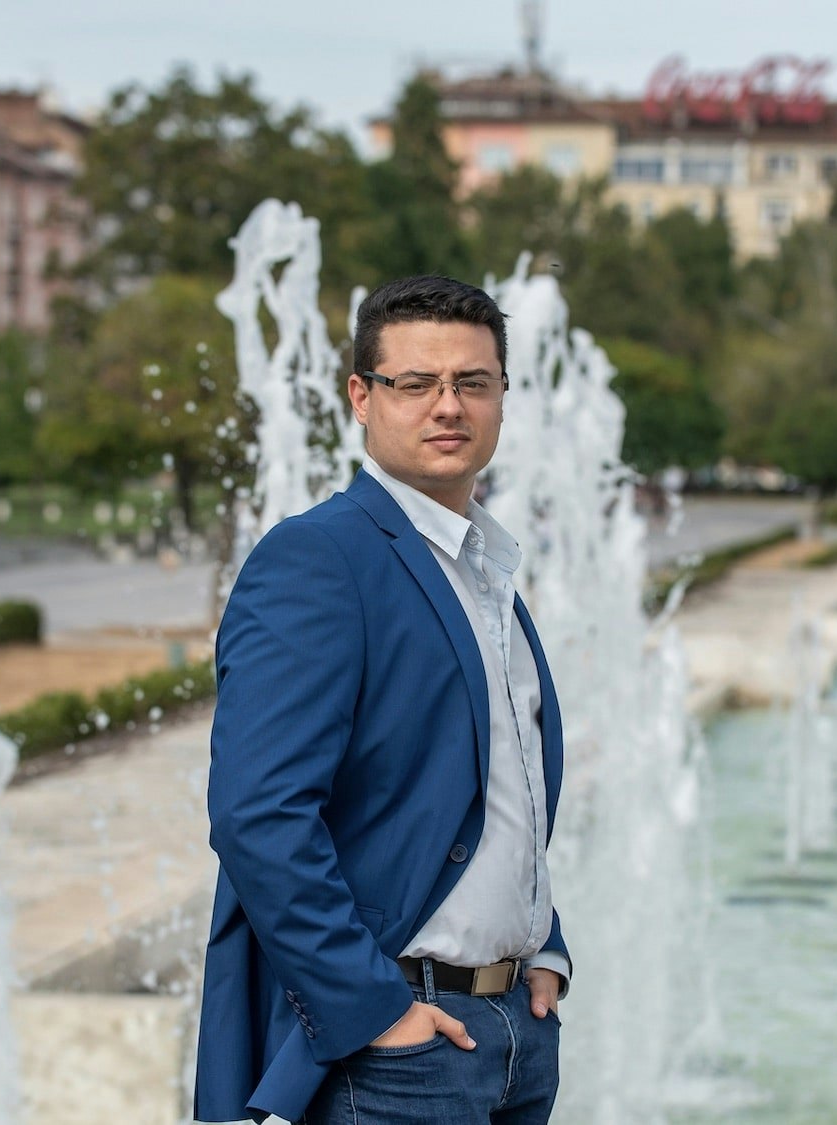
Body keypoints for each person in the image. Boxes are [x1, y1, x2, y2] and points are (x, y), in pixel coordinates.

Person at [196, 276, 570, 1125]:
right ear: (362, 397)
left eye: (473, 383)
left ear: (502, 396)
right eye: (416, 383)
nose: (449, 405)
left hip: (518, 1031)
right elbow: (258, 813)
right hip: (397, 1051)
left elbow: (491, 796)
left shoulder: (486, 571)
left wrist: (545, 942)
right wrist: (377, 1013)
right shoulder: (318, 559)